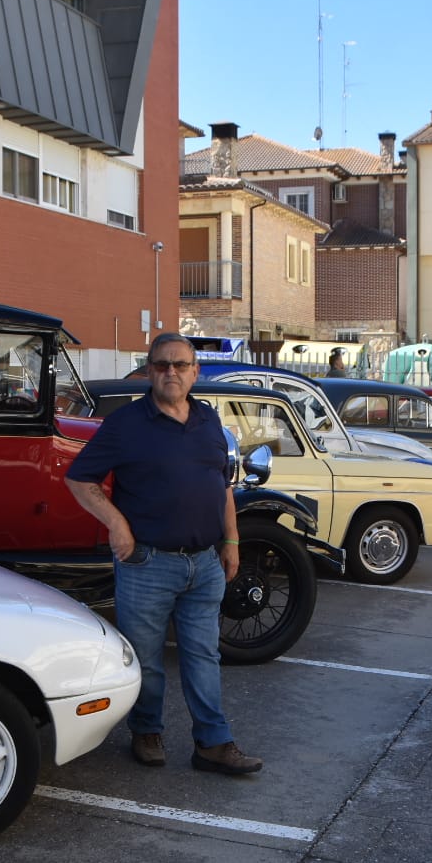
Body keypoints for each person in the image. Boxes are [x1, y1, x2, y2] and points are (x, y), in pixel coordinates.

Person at [65, 332, 262, 776]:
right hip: (148, 564)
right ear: (148, 370)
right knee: (147, 659)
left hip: (205, 563)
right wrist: (117, 524)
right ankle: (146, 730)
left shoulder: (210, 422)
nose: (170, 372)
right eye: (161, 365)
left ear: (195, 372)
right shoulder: (126, 423)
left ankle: (213, 743)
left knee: (203, 656)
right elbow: (80, 479)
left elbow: (222, 486)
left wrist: (231, 542)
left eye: (179, 365)